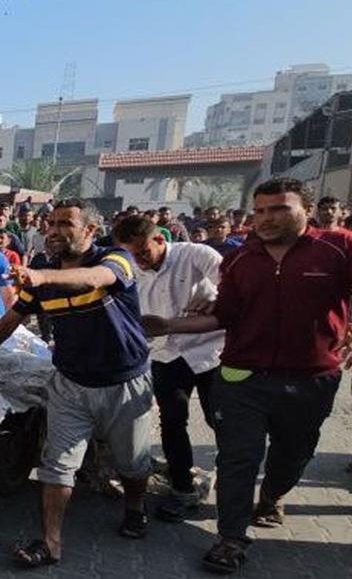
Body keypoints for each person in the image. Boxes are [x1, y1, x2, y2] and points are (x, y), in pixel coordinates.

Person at [143, 178, 352, 575]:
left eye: (278, 209)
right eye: (259, 211)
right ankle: (231, 538)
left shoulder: (337, 247)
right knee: (237, 457)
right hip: (242, 375)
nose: (266, 218)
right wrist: (167, 324)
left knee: (294, 454)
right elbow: (223, 316)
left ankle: (273, 494)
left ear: (305, 210)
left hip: (312, 377)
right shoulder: (240, 260)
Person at [0, 199, 153, 568]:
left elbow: (96, 280)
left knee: (133, 463)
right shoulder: (42, 276)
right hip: (70, 384)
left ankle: (136, 506)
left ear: (90, 230)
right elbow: (11, 319)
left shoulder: (114, 259)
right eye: (52, 223)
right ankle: (51, 542)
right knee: (57, 466)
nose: (55, 230)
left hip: (124, 383)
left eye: (66, 224)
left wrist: (42, 277)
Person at [112, 216, 223, 522]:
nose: (139, 261)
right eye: (131, 255)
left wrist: (219, 302)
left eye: (143, 252)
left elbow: (235, 289)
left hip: (210, 350)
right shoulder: (129, 268)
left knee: (222, 422)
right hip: (165, 355)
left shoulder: (197, 255)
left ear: (160, 240)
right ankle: (183, 490)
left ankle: (232, 489)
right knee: (173, 423)